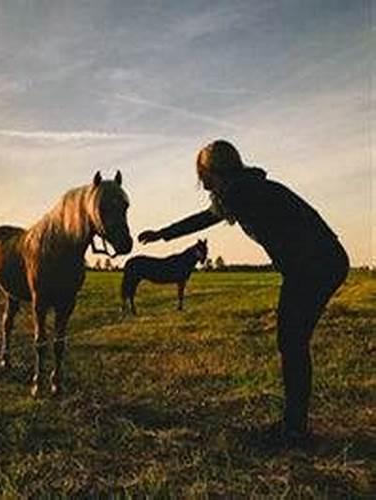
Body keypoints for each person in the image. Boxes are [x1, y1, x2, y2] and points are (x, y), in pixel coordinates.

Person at [139, 140, 349, 445]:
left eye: (204, 176)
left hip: (315, 265)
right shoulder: (244, 187)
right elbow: (209, 215)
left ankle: (294, 430)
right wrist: (164, 234)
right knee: (292, 341)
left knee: (291, 341)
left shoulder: (239, 191)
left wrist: (164, 234)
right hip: (321, 262)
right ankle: (294, 425)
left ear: (212, 172)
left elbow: (207, 216)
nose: (203, 184)